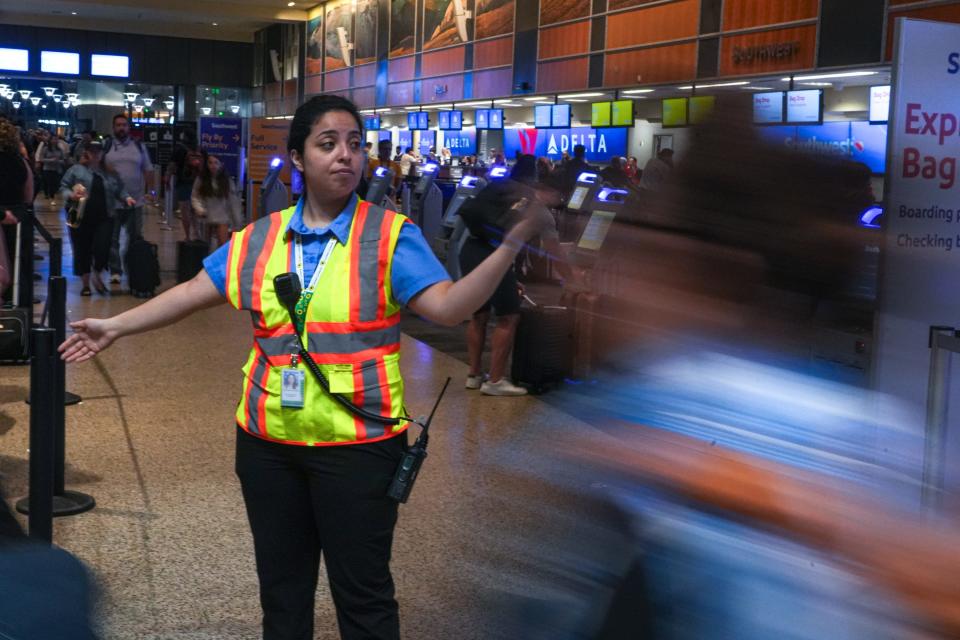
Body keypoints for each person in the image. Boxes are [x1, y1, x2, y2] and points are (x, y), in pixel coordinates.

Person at [59, 94, 549, 640]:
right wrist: (116, 326)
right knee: (283, 595)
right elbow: (196, 290)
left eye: (355, 144)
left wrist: (510, 245)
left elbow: (451, 307)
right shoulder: (262, 238)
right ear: (297, 158)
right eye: (328, 143)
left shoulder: (389, 235)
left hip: (359, 446)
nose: (346, 156)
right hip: (269, 445)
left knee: (363, 597)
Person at [458, 154, 565, 397]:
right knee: (509, 316)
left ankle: (474, 375)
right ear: (543, 187)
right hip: (494, 256)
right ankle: (495, 381)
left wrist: (510, 277)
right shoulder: (537, 208)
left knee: (479, 314)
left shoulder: (499, 187)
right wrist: (574, 277)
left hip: (471, 249)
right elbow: (555, 252)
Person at [60, 141, 136, 296]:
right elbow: (63, 187)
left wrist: (127, 198)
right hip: (78, 215)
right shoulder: (76, 170)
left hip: (104, 216)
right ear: (86, 152)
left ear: (102, 154)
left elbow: (119, 189)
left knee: (103, 247)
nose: (95, 154)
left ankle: (97, 272)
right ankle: (86, 284)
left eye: (98, 151)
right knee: (82, 249)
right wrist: (71, 195)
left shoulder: (109, 172)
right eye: (92, 151)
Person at [104, 113, 155, 286]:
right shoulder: (107, 146)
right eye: (118, 125)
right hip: (112, 202)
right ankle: (115, 271)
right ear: (113, 127)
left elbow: (148, 170)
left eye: (124, 125)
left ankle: (133, 267)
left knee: (135, 237)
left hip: (136, 202)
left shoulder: (139, 146)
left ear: (128, 127)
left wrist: (151, 191)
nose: (121, 128)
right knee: (112, 239)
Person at [0, 118, 33, 304]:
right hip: (18, 218)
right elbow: (28, 194)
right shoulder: (20, 162)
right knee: (19, 267)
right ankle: (19, 315)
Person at [191, 151, 242, 248]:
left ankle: (221, 263)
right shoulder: (202, 179)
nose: (213, 166)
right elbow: (195, 196)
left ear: (221, 165)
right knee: (205, 246)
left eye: (216, 163)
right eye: (210, 163)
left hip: (222, 217)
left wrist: (237, 223)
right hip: (205, 216)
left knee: (222, 246)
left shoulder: (226, 181)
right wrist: (200, 210)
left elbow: (233, 202)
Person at [168, 129, 203, 241]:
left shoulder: (179, 149)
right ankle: (197, 234)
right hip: (197, 183)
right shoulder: (200, 149)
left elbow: (172, 166)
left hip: (183, 183)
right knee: (195, 209)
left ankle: (187, 236)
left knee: (185, 210)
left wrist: (167, 179)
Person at [35, 130, 67, 205]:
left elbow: (63, 160)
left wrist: (58, 161)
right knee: (49, 183)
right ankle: (51, 197)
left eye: (56, 139)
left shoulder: (60, 150)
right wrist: (50, 160)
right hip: (47, 169)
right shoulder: (46, 149)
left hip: (57, 169)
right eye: (53, 139)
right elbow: (41, 159)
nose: (55, 140)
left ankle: (52, 195)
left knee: (56, 184)